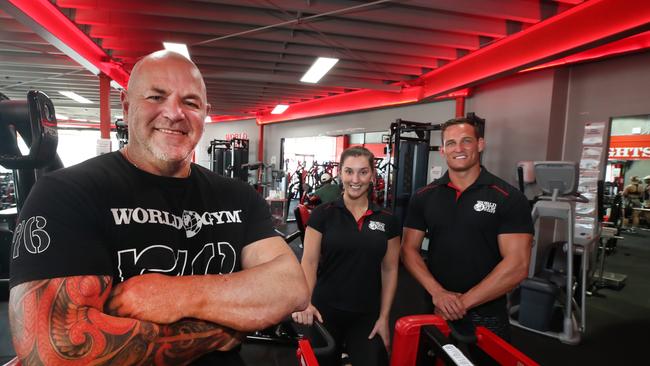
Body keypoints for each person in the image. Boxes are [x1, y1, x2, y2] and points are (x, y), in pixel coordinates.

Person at [9, 50, 308, 365]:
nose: (174, 113)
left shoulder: (237, 196)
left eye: (190, 103)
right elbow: (56, 350)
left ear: (205, 113)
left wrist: (174, 295)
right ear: (126, 105)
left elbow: (291, 287)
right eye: (156, 97)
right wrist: (223, 328)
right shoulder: (68, 193)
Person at [401, 117, 533, 348]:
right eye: (451, 143)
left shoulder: (508, 197)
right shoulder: (424, 196)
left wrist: (461, 303)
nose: (458, 149)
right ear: (442, 150)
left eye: (466, 141)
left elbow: (518, 264)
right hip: (435, 305)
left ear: (480, 144)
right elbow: (409, 249)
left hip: (487, 312)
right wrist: (439, 294)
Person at [291, 147, 400, 366]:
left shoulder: (388, 219)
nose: (355, 179)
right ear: (340, 173)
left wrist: (384, 317)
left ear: (372, 175)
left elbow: (389, 269)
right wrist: (306, 303)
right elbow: (309, 262)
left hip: (367, 314)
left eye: (363, 172)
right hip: (324, 311)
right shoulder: (323, 214)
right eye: (349, 171)